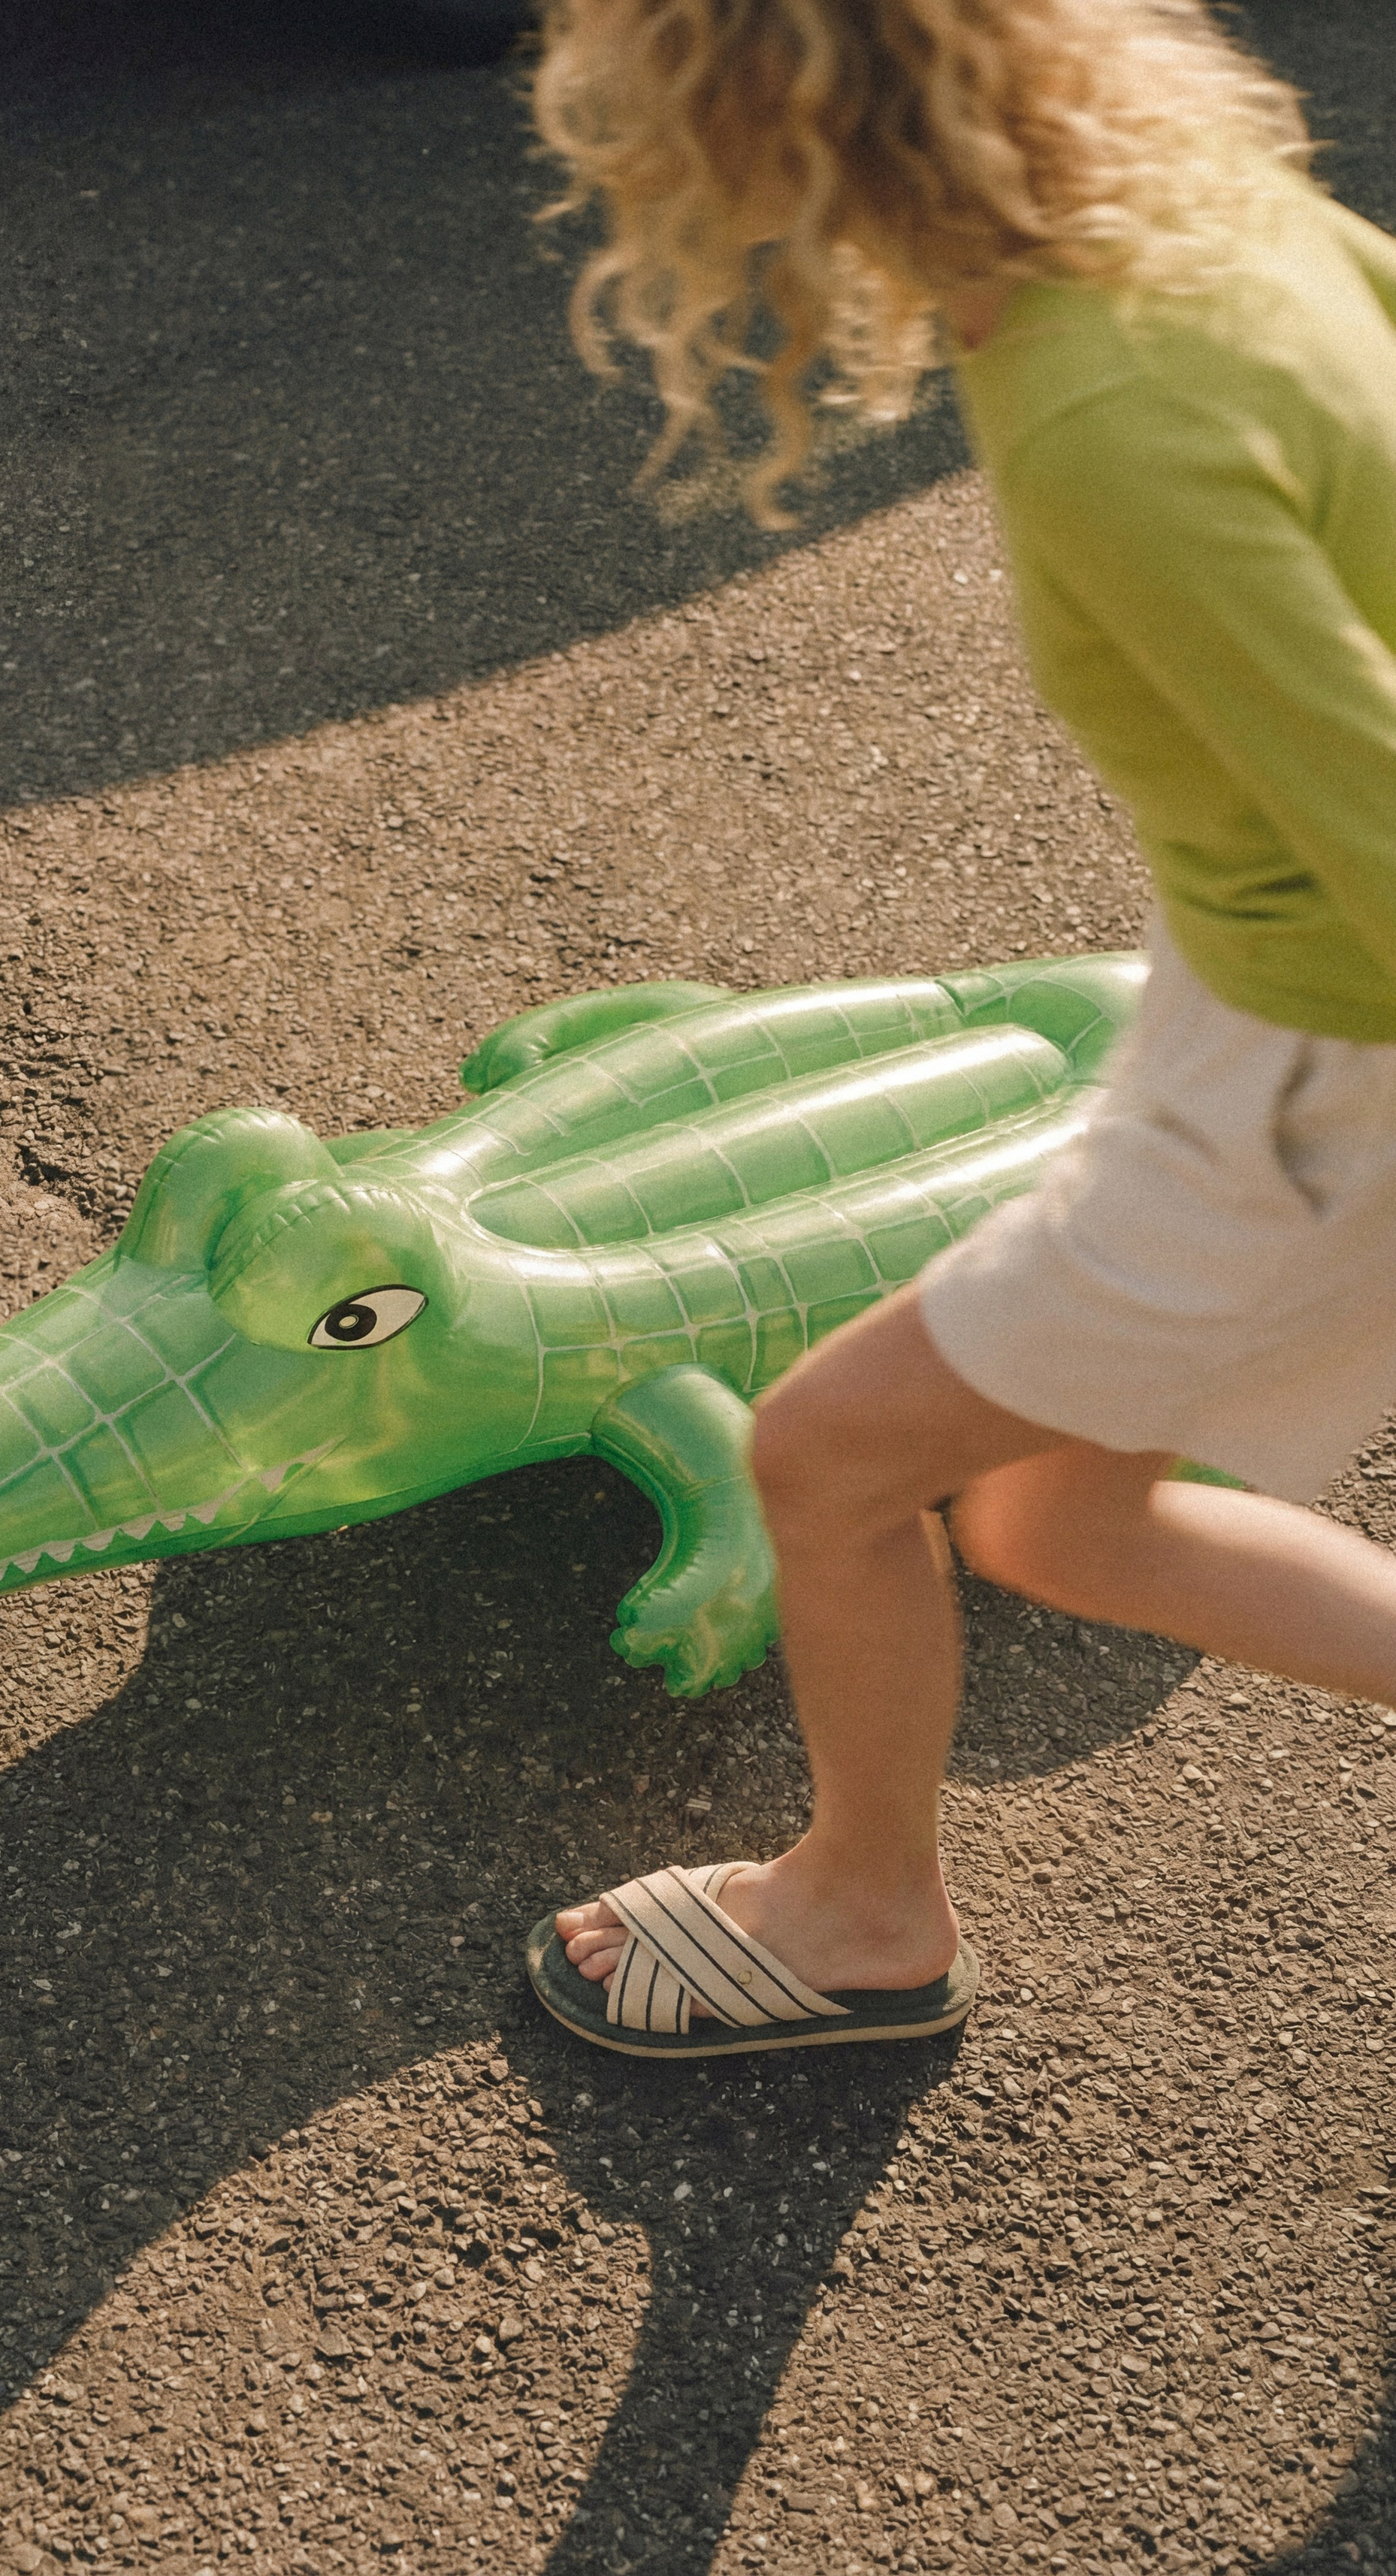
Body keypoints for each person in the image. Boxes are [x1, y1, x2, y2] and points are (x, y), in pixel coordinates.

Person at [522, 0, 1396, 2057]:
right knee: (1053, 1518)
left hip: (1305, 1076)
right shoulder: (1205, 208)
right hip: (1265, 1029)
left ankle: (860, 1916)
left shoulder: (1106, 411)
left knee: (825, 1464)